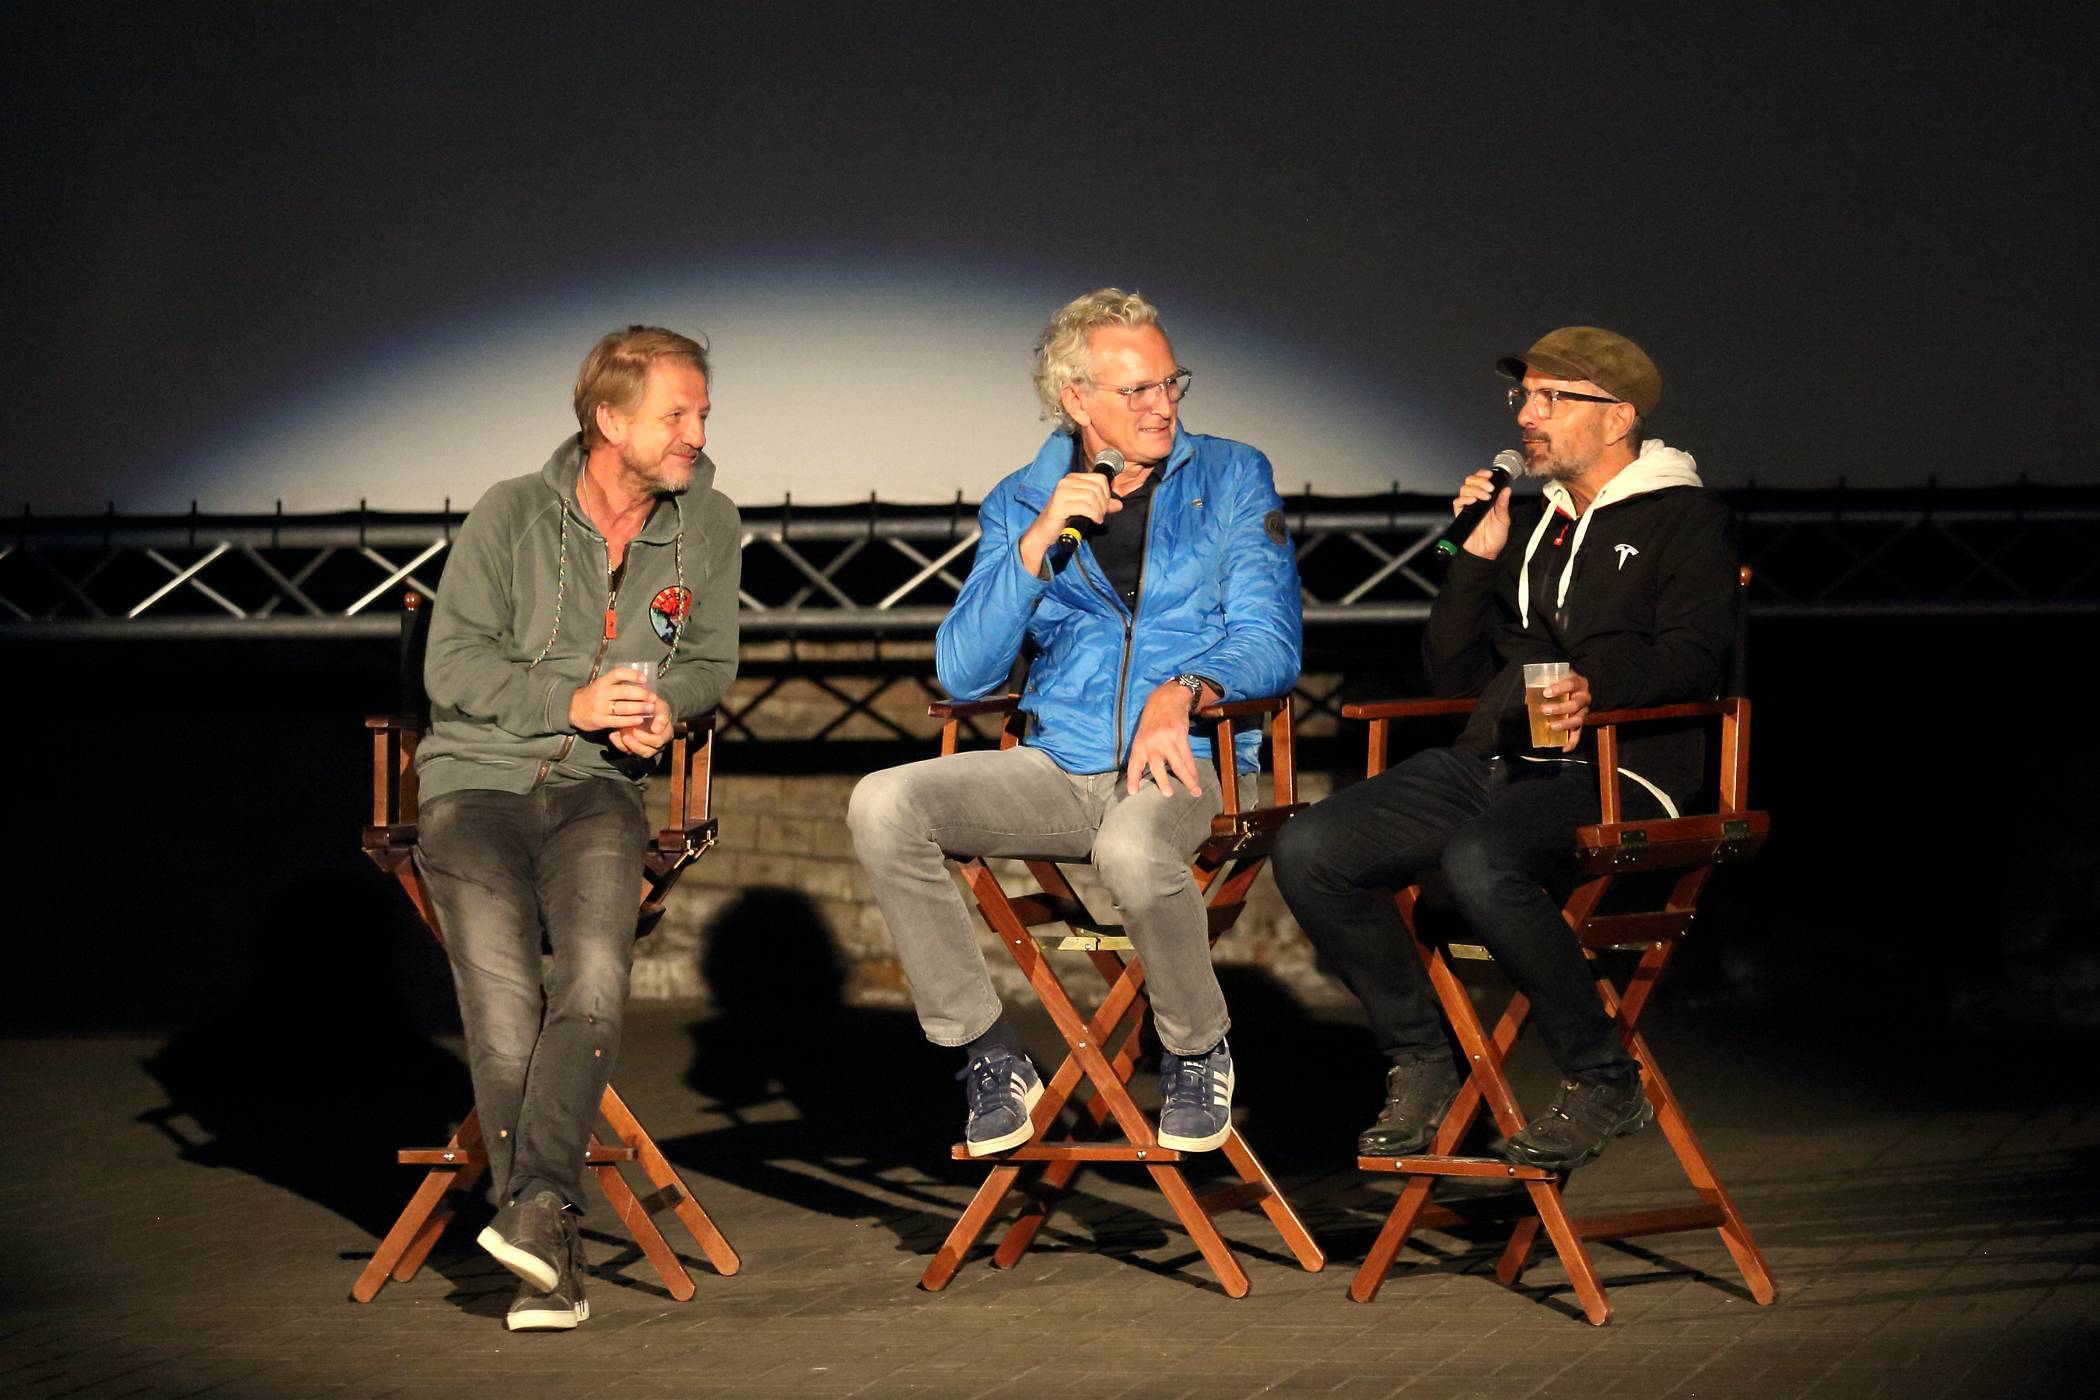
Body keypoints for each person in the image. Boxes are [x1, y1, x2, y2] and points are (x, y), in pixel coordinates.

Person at [847, 288, 1302, 1158]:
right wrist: (1037, 541)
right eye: (1137, 391)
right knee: (883, 803)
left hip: (1192, 759)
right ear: (1076, 401)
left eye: (1173, 383)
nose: (1164, 405)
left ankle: (1198, 1047)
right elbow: (961, 670)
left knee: (1134, 847)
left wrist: (1187, 690)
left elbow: (1271, 641)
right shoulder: (1023, 499)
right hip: (1061, 764)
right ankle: (985, 1055)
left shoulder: (1232, 475)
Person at [1272, 326, 1739, 1171]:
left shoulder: (1688, 517)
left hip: (1624, 768)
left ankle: (1602, 1077)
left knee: (1483, 858)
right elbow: (1453, 669)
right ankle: (1421, 1060)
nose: (1528, 415)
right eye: (1523, 397)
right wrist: (1474, 561)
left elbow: (1693, 660)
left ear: (1618, 416)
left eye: (1552, 398)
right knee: (1312, 848)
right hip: (1506, 759)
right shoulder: (1538, 525)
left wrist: (1601, 690)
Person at [413, 326, 740, 1331]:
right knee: (506, 1003)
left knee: (594, 977)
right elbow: (451, 668)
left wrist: (664, 708)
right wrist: (573, 698)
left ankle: (535, 1214)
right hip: (476, 788)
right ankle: (551, 1224)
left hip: (601, 791)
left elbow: (709, 661)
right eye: (674, 414)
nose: (695, 433)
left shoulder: (709, 523)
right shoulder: (510, 512)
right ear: (609, 418)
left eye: (701, 413)